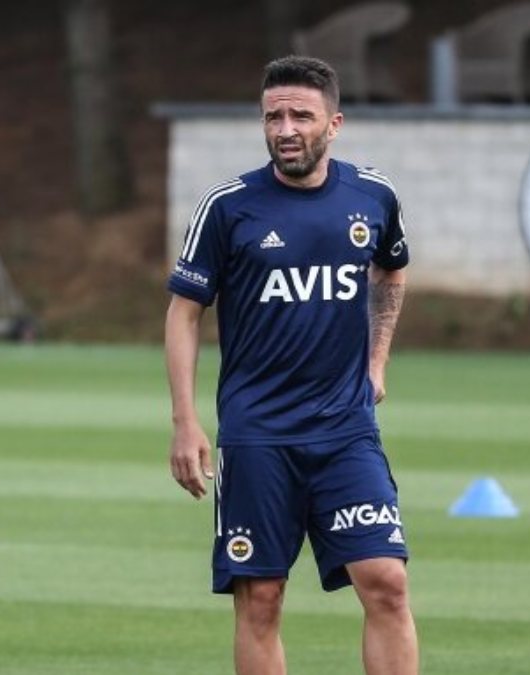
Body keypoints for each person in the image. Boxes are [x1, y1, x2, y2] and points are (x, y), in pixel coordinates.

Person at [164, 55, 417, 675]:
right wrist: (185, 422)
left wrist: (377, 361)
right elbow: (184, 313)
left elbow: (391, 271)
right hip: (258, 435)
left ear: (334, 124)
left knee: (387, 583)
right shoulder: (228, 208)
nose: (285, 129)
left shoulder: (373, 196)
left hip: (346, 431)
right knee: (261, 599)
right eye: (273, 117)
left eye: (301, 116)